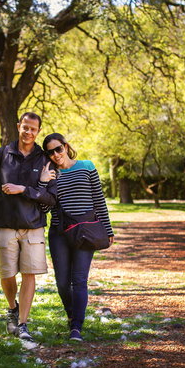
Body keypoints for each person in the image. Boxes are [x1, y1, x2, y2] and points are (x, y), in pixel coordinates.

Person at [0, 112, 57, 342]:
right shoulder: (2, 154)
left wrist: (24, 188)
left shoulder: (45, 160)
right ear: (18, 127)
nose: (29, 132)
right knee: (7, 273)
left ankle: (23, 323)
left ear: (38, 131)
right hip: (4, 226)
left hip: (33, 227)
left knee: (29, 274)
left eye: (33, 129)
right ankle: (12, 308)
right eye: (25, 127)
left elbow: (51, 199)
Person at [42, 133, 114, 342]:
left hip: (85, 230)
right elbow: (45, 206)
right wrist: (43, 182)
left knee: (79, 280)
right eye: (50, 152)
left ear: (65, 146)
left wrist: (107, 229)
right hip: (59, 233)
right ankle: (73, 315)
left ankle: (76, 327)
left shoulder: (86, 166)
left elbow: (98, 200)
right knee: (63, 284)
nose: (56, 154)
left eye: (58, 149)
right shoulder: (52, 174)